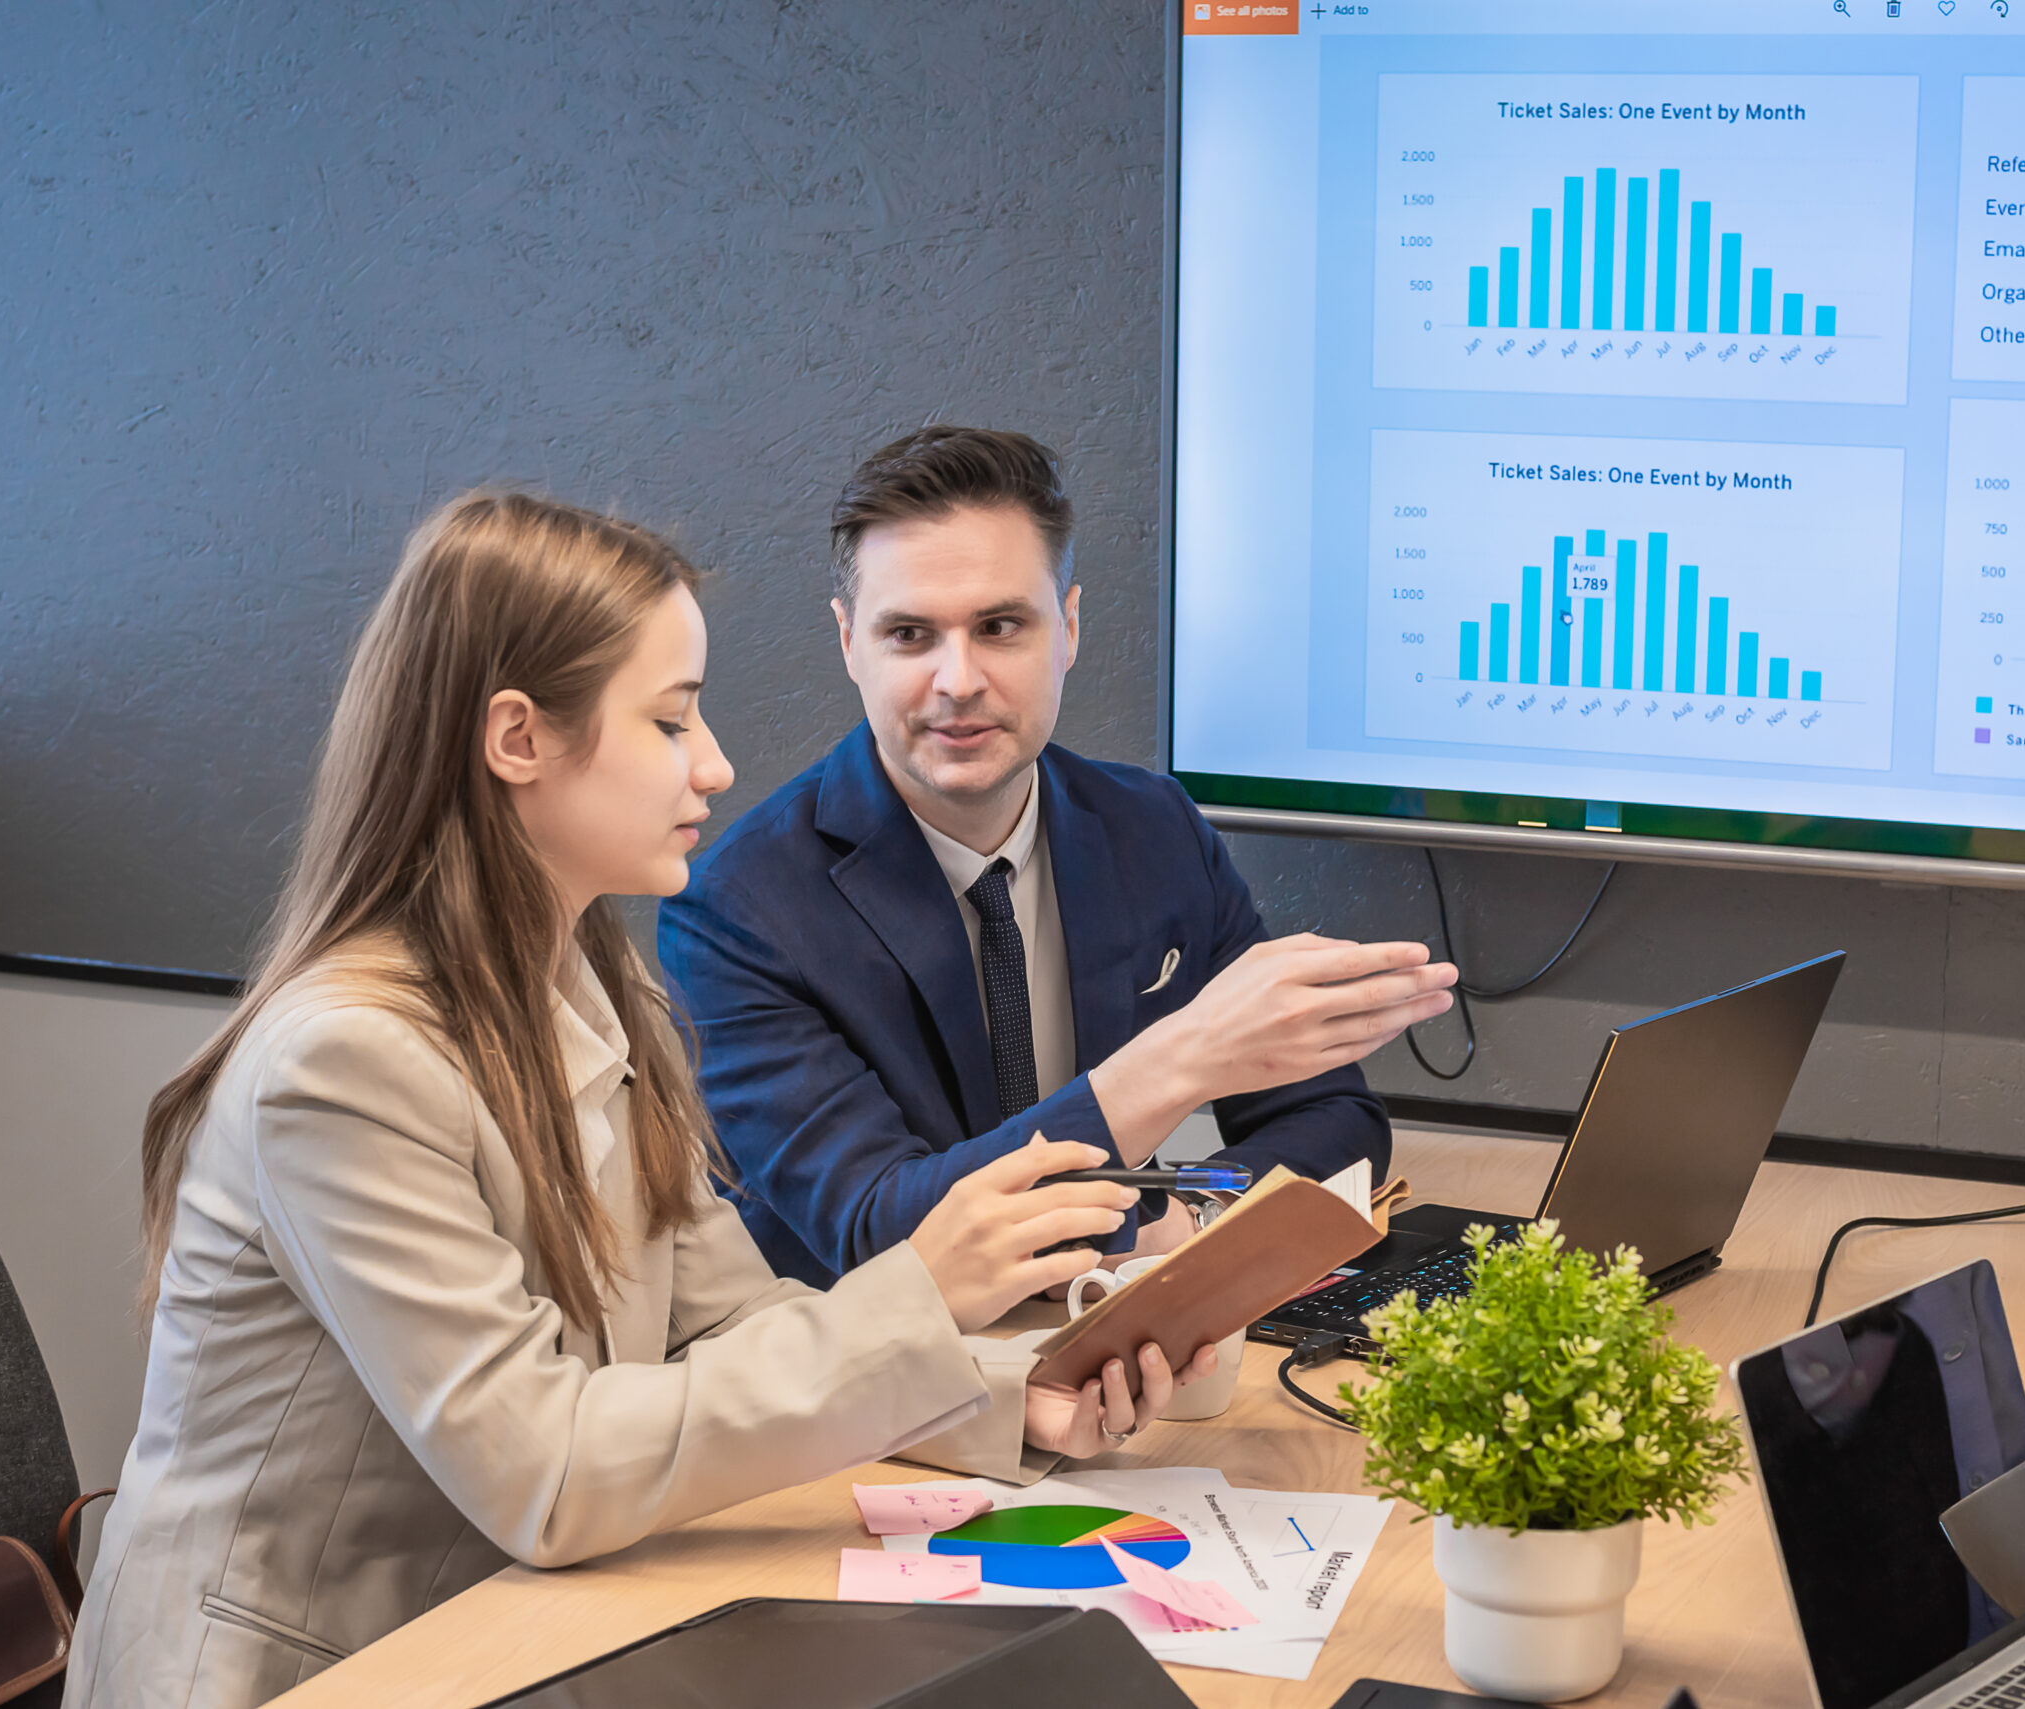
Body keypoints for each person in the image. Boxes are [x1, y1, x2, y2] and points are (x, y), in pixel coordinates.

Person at [69, 492, 1214, 1709]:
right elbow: (546, 1471)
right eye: (670, 719)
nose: (715, 762)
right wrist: (924, 1288)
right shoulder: (345, 1062)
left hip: (520, 1629)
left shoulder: (587, 980)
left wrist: (1005, 1396)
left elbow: (720, 1326)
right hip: (321, 1674)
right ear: (517, 738)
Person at [662, 427, 1457, 1286]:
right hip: (891, 1390)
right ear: (849, 641)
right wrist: (1179, 1059)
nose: (958, 679)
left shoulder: (1154, 828)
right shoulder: (737, 909)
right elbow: (879, 1229)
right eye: (909, 635)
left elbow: (1332, 1116)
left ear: (1069, 628)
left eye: (1000, 625)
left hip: (1126, 1352)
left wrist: (1194, 1216)